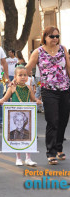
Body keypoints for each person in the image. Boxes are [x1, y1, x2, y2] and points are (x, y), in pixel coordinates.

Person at [25, 26, 70, 165]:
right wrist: (18, 77)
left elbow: (68, 67)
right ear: (45, 37)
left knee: (63, 120)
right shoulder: (38, 52)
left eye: (57, 36)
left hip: (65, 89)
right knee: (52, 120)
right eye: (52, 36)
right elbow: (28, 68)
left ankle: (58, 148)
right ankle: (50, 152)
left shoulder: (63, 49)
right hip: (48, 90)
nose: (55, 39)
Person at [0, 66, 41, 166]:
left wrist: (37, 101)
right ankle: (18, 158)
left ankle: (28, 158)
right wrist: (2, 101)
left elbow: (33, 98)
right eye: (20, 75)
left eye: (25, 75)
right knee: (17, 139)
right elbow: (5, 97)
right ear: (15, 77)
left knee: (28, 137)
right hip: (16, 115)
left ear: (28, 76)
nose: (23, 77)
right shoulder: (12, 87)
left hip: (26, 115)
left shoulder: (29, 88)